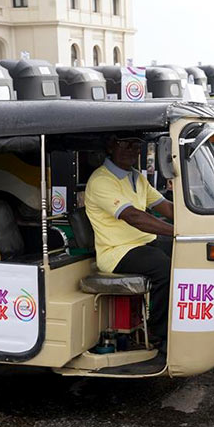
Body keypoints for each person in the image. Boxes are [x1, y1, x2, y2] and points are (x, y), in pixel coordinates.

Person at [85, 134, 174, 346]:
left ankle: (180, 318)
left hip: (144, 244)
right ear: (109, 146)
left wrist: (199, 218)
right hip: (117, 252)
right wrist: (176, 231)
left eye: (135, 144)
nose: (130, 149)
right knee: (163, 266)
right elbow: (134, 216)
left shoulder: (136, 177)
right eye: (123, 143)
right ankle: (160, 332)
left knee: (188, 251)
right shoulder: (102, 180)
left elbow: (167, 208)